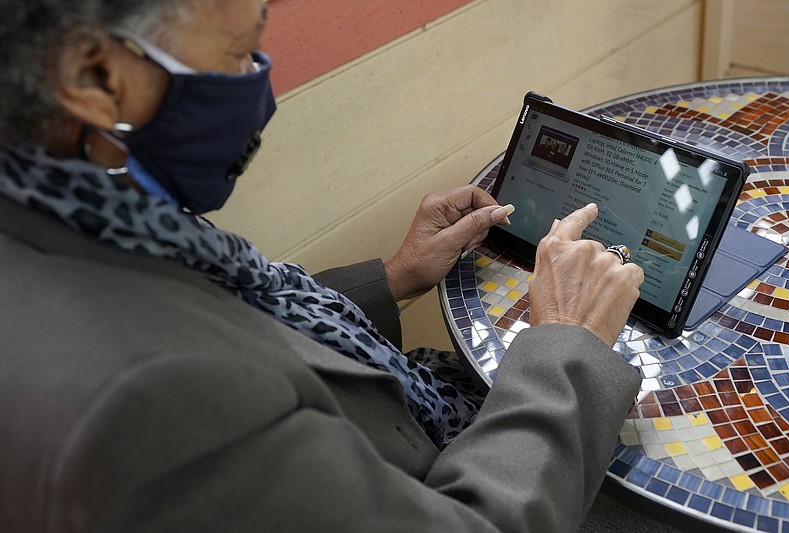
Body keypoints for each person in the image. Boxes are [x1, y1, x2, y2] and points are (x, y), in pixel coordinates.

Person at [0, 0, 645, 531]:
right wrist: (567, 339)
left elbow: (245, 321)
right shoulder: (156, 401)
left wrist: (394, 277)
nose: (259, 76)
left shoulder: (74, 206)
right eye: (238, 52)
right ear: (94, 77)